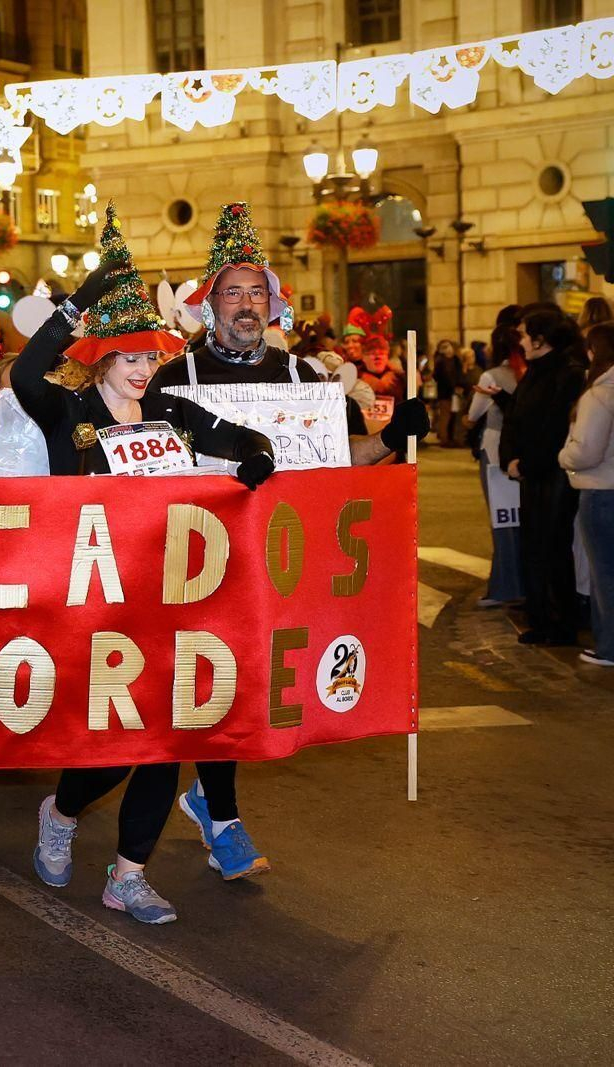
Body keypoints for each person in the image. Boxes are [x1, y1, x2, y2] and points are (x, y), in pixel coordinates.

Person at [16, 204, 275, 924]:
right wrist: (89, 292)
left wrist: (257, 457)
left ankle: (127, 873)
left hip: (167, 601)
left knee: (167, 737)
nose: (142, 369)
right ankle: (63, 811)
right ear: (104, 357)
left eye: (150, 356)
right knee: (108, 745)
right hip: (92, 601)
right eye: (130, 357)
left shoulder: (168, 408)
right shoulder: (65, 412)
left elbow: (243, 434)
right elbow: (27, 366)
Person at [155, 201, 429, 880]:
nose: (247, 305)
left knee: (263, 688)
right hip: (203, 563)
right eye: (233, 291)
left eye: (258, 291)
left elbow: (346, 463)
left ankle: (207, 796)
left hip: (285, 563)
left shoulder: (307, 378)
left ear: (273, 302)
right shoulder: (171, 380)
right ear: (209, 301)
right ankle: (223, 817)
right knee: (216, 687)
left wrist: (394, 437)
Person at [500, 309, 586, 645]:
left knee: (553, 547)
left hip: (553, 475)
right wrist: (510, 458)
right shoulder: (535, 372)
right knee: (533, 545)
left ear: (542, 338)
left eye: (524, 334)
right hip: (530, 473)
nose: (519, 341)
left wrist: (528, 463)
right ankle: (539, 617)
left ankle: (560, 622)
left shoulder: (568, 374)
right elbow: (515, 416)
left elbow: (555, 428)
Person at [560, 322, 614, 666]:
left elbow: (586, 450)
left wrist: (563, 456)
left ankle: (608, 646)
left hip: (600, 492)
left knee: (604, 574)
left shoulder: (599, 394)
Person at [468, 338, 524, 607]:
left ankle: (505, 585)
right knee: (521, 519)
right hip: (525, 451)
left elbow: (472, 414)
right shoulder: (528, 372)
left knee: (503, 519)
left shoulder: (492, 376)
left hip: (496, 450)